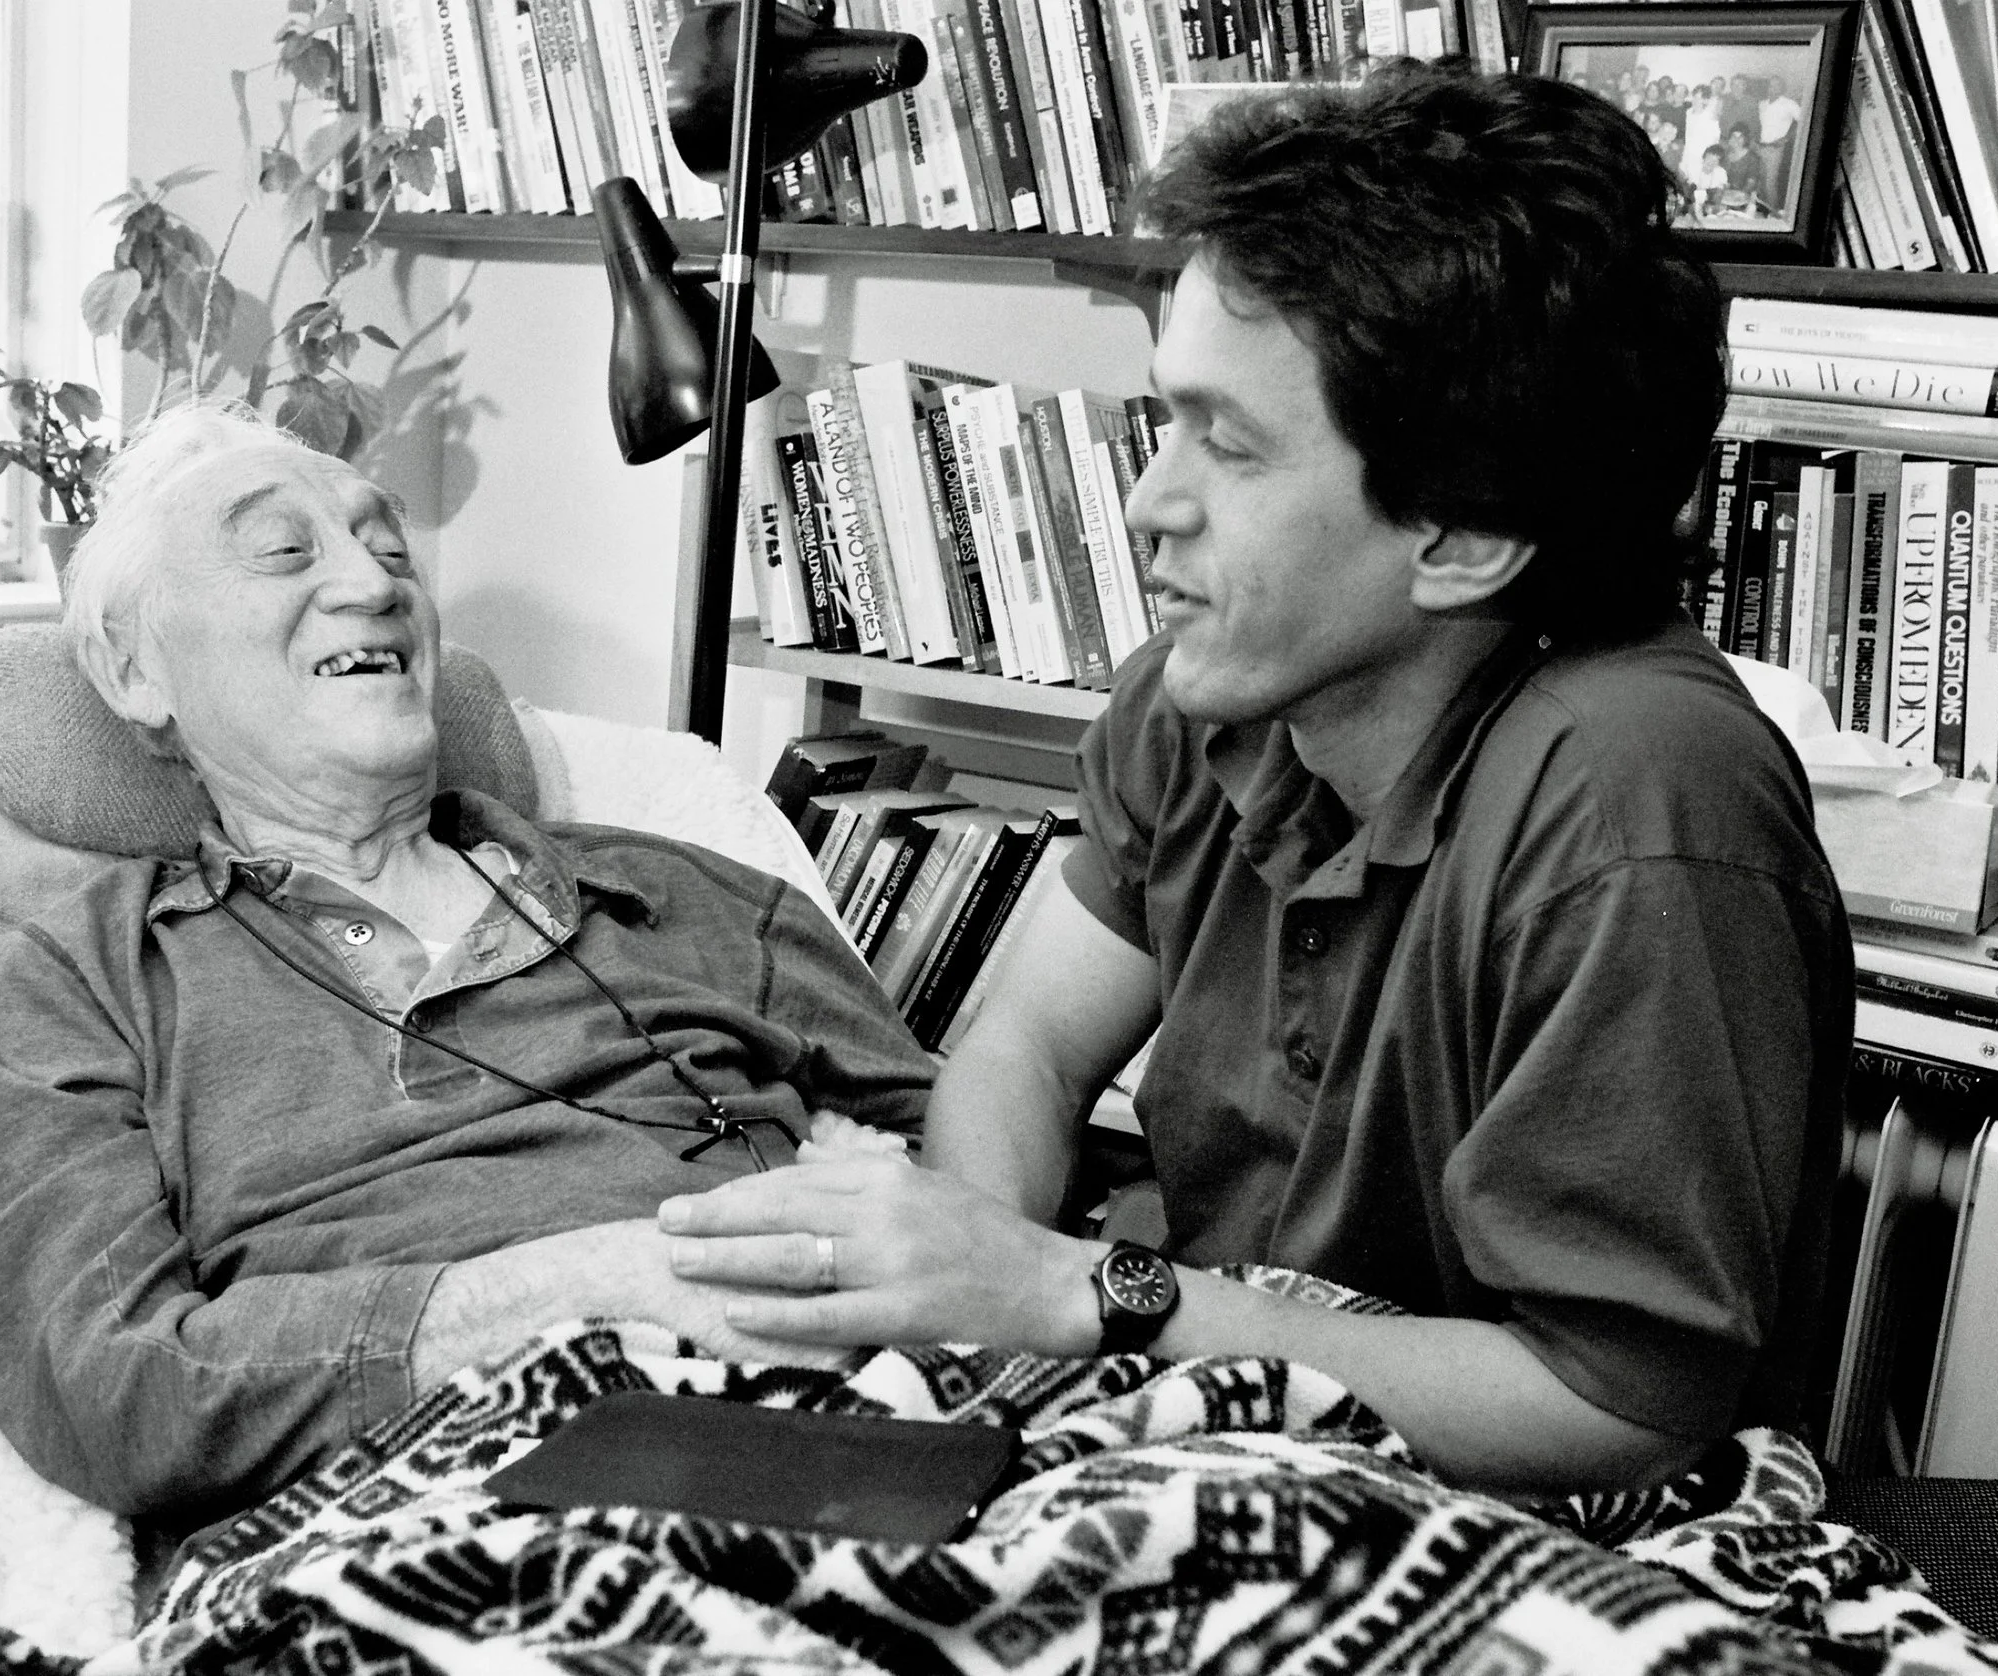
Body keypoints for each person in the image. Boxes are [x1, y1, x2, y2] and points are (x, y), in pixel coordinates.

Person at [656, 61, 1849, 1498]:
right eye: (1169, 419)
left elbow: (1620, 1407)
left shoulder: (1643, 807)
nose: (1152, 503)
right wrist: (953, 1307)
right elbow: (1024, 1045)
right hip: (1223, 1431)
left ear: (1464, 537)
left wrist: (1079, 1297)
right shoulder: (1202, 697)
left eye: (1227, 443)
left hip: (1517, 1514)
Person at [0, 404, 936, 1525]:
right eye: (282, 551)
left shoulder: (701, 901)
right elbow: (105, 1388)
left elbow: (986, 1196)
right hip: (424, 1522)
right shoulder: (79, 989)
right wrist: (579, 1290)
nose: (372, 580)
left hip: (841, 1454)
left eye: (391, 546)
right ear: (131, 671)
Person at [1757, 76, 1805, 210]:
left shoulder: (1789, 104)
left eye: (1777, 85)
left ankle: (1774, 214)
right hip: (1761, 147)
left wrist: (1787, 138)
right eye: (1771, 85)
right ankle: (1762, 212)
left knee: (1770, 184)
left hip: (1776, 149)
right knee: (1761, 182)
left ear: (1782, 88)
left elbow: (1804, 121)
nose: (1773, 88)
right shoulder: (1762, 104)